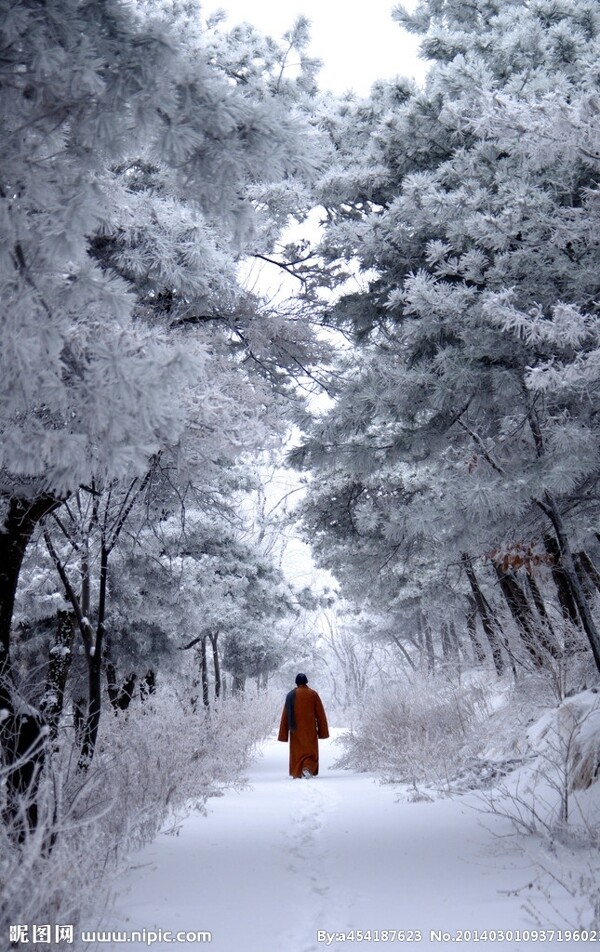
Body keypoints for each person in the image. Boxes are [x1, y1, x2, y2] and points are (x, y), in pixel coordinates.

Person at [278, 673, 329, 778]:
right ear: (306, 682)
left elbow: (285, 716)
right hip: (310, 729)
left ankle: (299, 770)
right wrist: (323, 732)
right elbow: (320, 714)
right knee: (310, 751)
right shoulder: (313, 694)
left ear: (296, 683)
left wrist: (283, 735)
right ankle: (307, 768)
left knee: (298, 752)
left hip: (295, 729)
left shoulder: (291, 695)